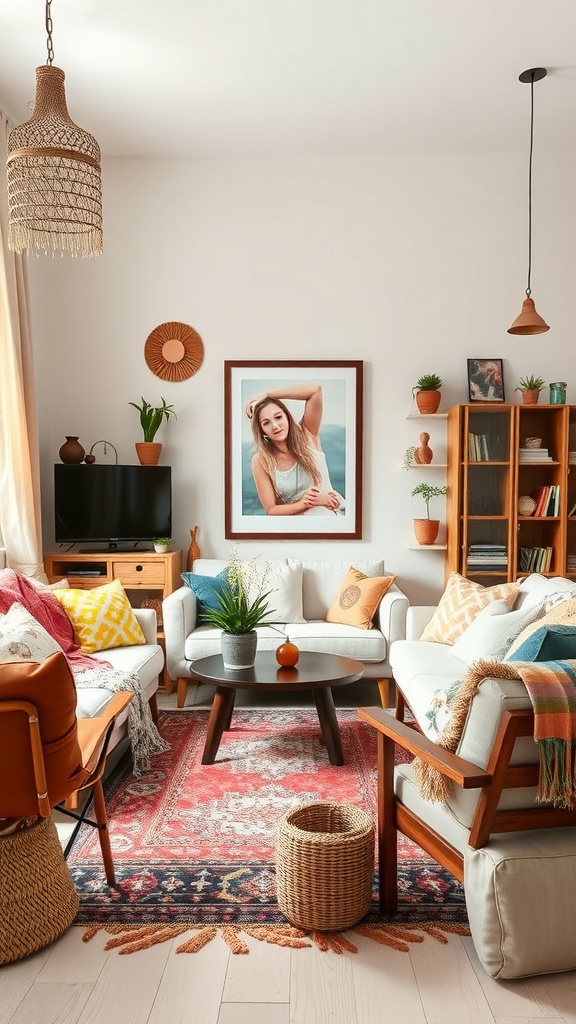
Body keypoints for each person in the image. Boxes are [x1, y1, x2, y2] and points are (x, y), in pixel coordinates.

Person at [245, 383, 345, 516]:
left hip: (333, 518)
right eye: (266, 423)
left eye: (278, 417)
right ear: (262, 430)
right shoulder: (260, 460)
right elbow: (271, 510)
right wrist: (307, 502)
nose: (275, 426)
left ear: (287, 416)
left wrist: (268, 394)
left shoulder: (307, 433)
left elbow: (315, 390)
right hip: (298, 528)